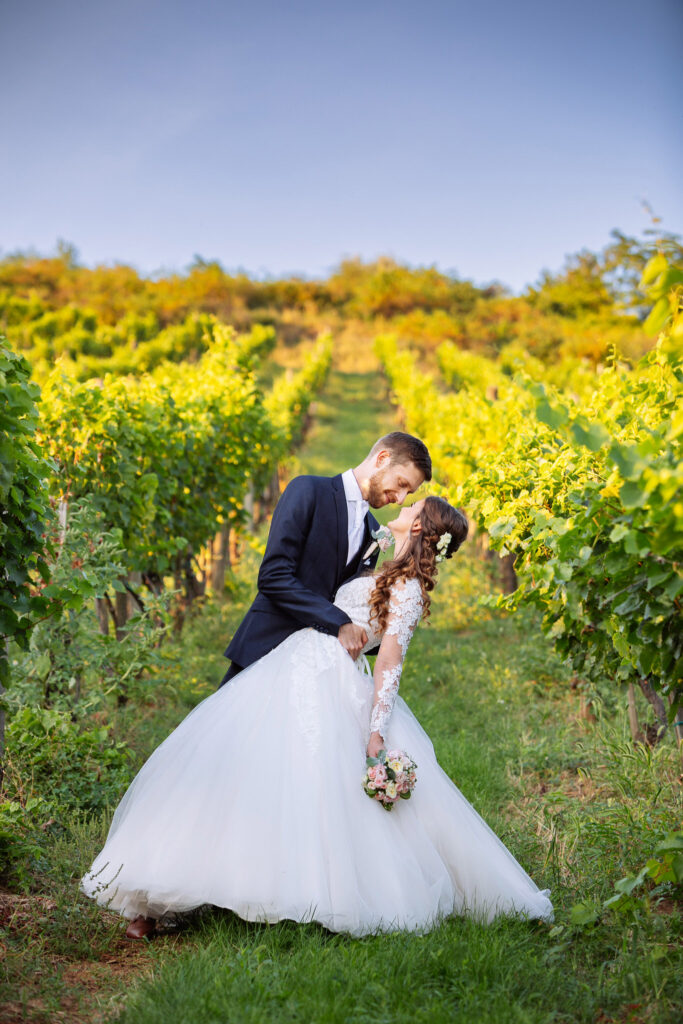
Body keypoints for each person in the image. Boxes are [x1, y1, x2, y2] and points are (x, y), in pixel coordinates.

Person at [81, 494, 554, 939]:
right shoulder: (385, 564)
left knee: (304, 781)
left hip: (331, 679)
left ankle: (283, 888)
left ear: (417, 524)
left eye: (412, 501)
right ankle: (161, 891)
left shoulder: (407, 590)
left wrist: (375, 732)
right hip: (290, 664)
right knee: (231, 763)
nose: (404, 500)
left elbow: (389, 661)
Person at [218, 431, 432, 685]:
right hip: (264, 650)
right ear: (382, 458)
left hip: (316, 672)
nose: (400, 498)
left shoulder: (372, 529)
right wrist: (338, 622)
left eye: (409, 493)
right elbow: (273, 577)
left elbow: (347, 600)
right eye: (401, 483)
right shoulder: (307, 490)